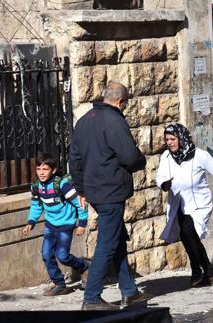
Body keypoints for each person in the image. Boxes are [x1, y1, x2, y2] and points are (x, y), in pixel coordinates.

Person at [70, 81, 147, 310]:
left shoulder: (84, 120)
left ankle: (129, 291)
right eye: (125, 104)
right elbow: (129, 157)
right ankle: (92, 297)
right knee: (107, 244)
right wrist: (141, 160)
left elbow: (74, 159)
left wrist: (81, 189)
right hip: (111, 191)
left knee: (117, 239)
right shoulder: (114, 121)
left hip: (94, 192)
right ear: (120, 101)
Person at [156, 123, 213, 287]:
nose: (170, 142)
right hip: (178, 204)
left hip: (199, 205)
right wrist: (163, 184)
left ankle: (201, 270)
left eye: (173, 139)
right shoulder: (166, 157)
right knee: (187, 237)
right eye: (167, 139)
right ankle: (205, 270)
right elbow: (160, 176)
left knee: (188, 231)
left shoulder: (199, 156)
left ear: (181, 138)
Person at [22, 152, 89, 296]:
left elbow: (80, 204)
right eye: (38, 169)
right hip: (50, 226)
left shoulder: (62, 185)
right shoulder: (36, 187)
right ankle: (60, 283)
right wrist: (30, 223)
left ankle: (84, 266)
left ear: (53, 170)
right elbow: (36, 206)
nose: (41, 172)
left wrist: (82, 223)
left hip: (66, 225)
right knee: (46, 254)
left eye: (45, 169)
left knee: (63, 256)